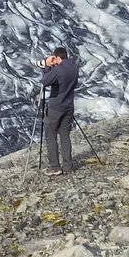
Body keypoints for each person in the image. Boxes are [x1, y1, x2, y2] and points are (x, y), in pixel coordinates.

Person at [40, 47, 80, 175]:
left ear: (57, 57)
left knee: (50, 135)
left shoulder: (57, 70)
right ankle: (68, 166)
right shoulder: (74, 68)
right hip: (69, 106)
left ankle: (54, 167)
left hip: (56, 107)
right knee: (65, 135)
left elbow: (45, 82)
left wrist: (46, 66)